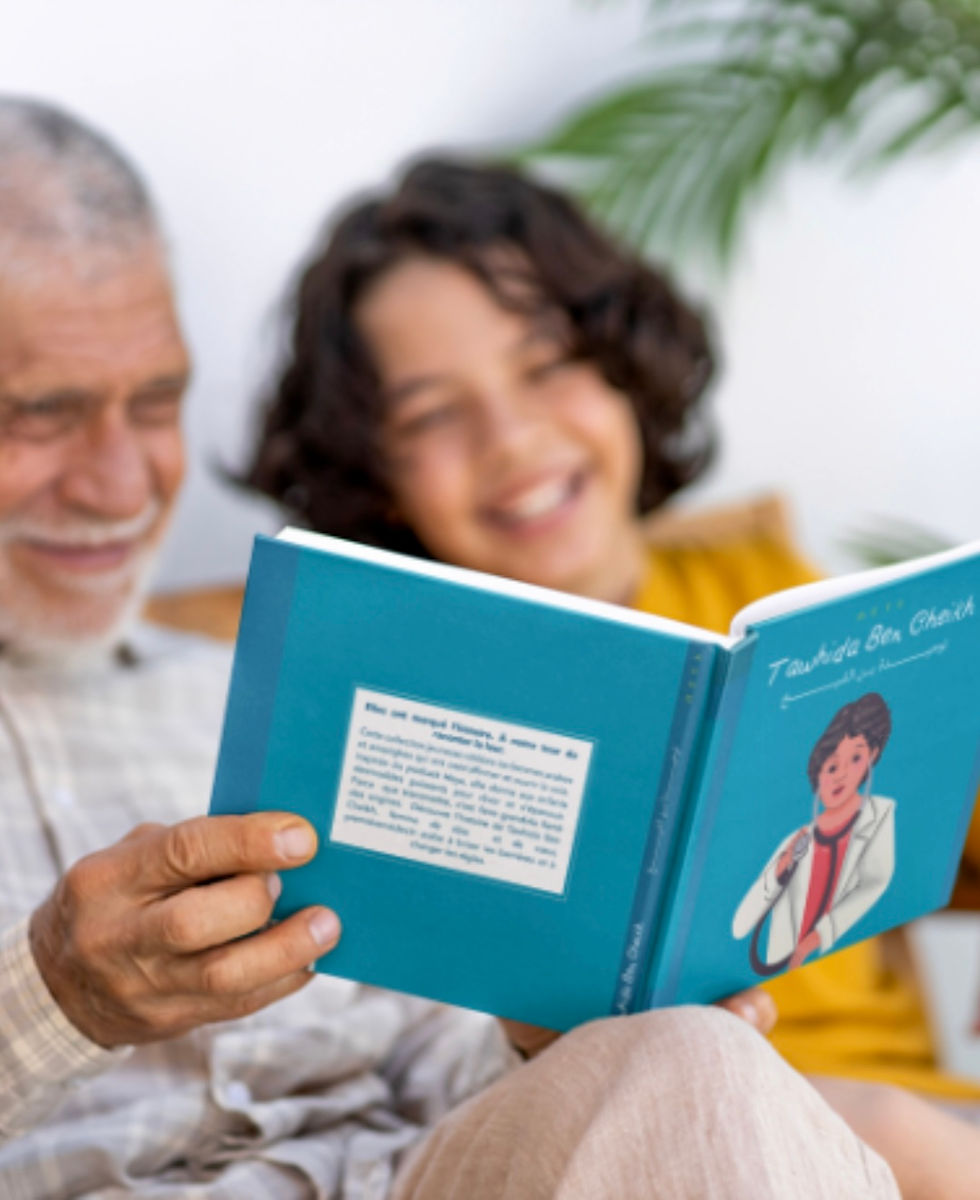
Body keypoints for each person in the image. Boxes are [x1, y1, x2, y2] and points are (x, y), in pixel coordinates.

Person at [0, 95, 860, 1200]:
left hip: (417, 1174)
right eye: (38, 412)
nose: (123, 484)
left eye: (157, 400)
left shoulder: (264, 698)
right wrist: (54, 1000)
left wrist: (550, 1036)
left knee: (687, 1059)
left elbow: (434, 1068)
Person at [241, 156, 980, 1198]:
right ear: (376, 475)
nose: (513, 439)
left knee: (889, 1120)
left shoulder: (766, 590)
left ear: (625, 367)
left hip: (914, 1120)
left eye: (545, 364)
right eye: (429, 414)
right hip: (648, 1140)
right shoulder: (393, 697)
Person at [733, 692, 896, 973]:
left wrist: (816, 938)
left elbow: (874, 884)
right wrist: (776, 875)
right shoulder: (796, 841)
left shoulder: (879, 817)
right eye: (831, 765)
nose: (841, 774)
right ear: (817, 771)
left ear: (873, 756)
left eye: (856, 758)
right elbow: (740, 927)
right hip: (767, 983)